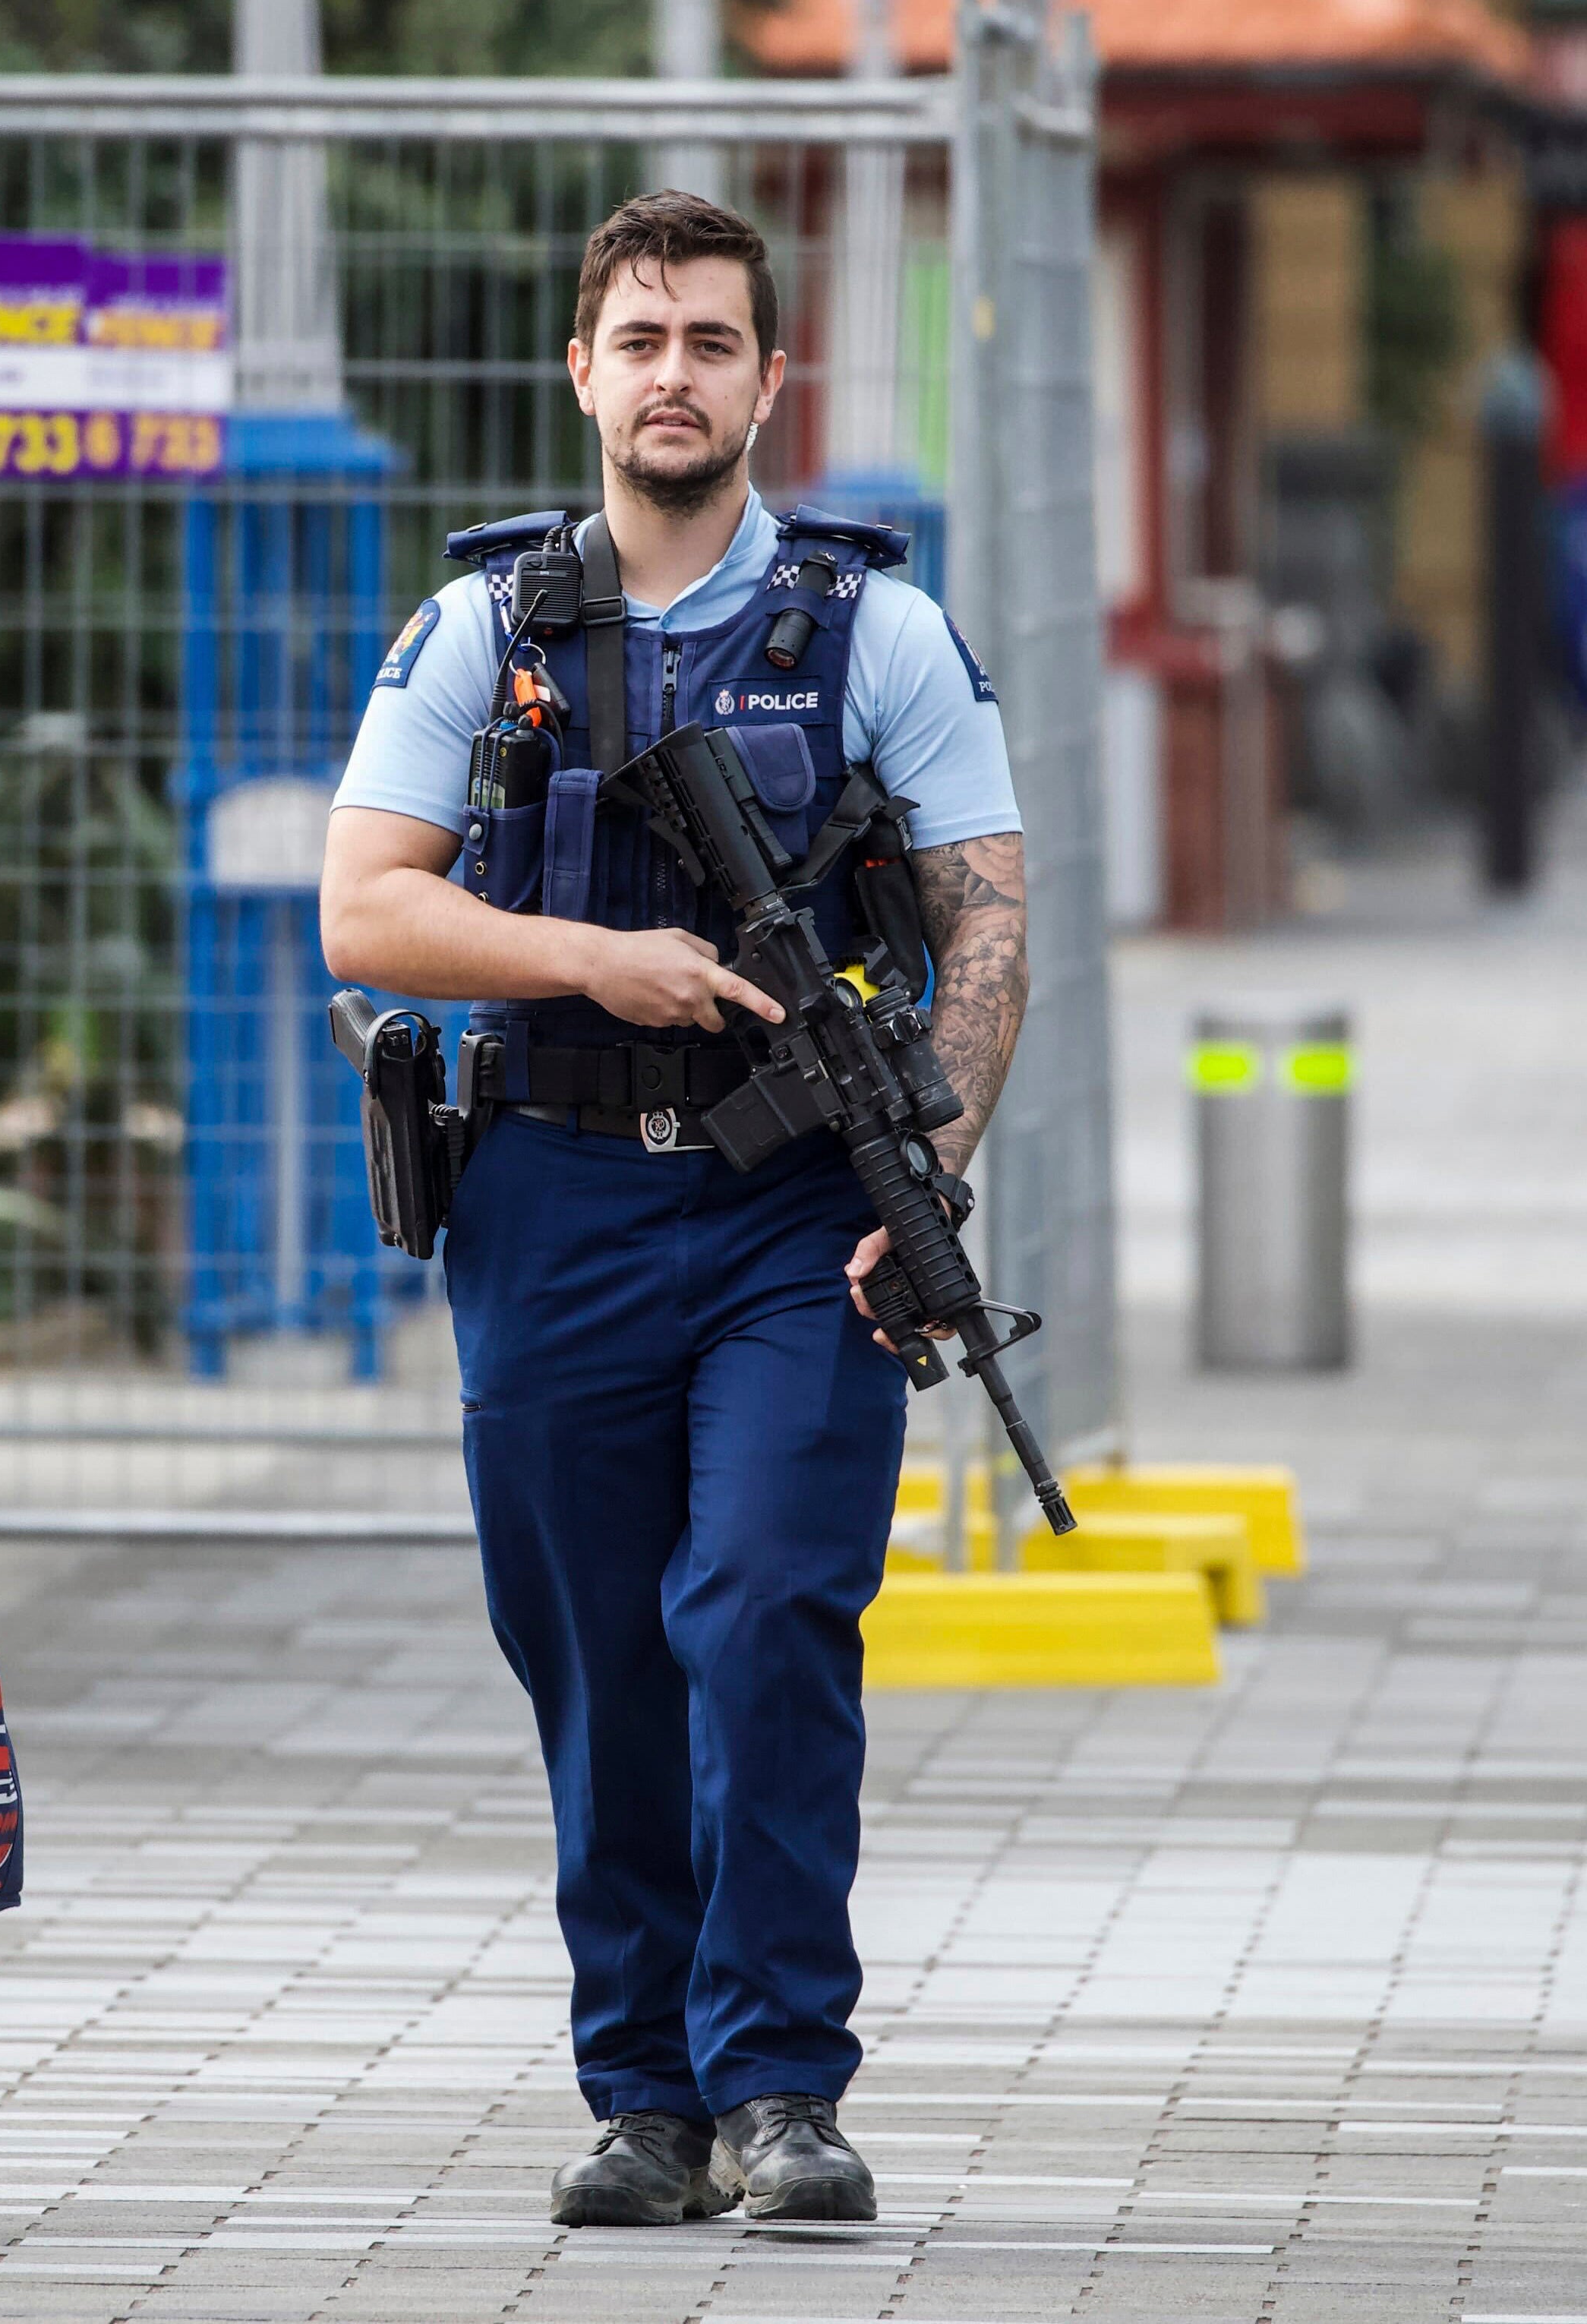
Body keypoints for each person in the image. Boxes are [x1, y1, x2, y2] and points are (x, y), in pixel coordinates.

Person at [319, 191, 1030, 2226]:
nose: (672, 373)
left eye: (711, 341)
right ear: (581, 369)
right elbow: (361, 906)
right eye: (637, 337)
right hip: (547, 1194)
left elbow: (988, 919)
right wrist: (582, 962)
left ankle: (780, 2082)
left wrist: (933, 1181)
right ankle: (639, 2089)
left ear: (766, 380)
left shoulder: (872, 628)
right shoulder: (483, 632)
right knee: (596, 1654)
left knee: (766, 1614)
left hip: (804, 1211)